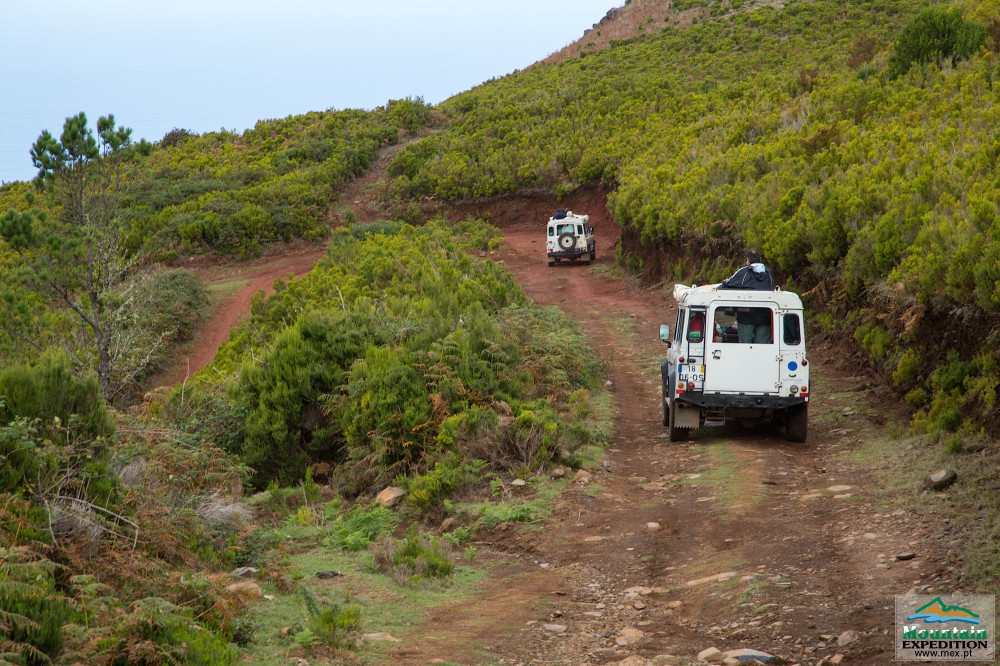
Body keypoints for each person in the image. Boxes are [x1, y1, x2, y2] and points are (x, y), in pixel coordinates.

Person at [716, 249, 775, 343]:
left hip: (746, 318)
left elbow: (728, 283)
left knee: (745, 345)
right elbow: (772, 288)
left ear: (747, 260)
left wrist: (717, 288)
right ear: (760, 259)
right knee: (763, 346)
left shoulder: (744, 272)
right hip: (765, 318)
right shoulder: (768, 274)